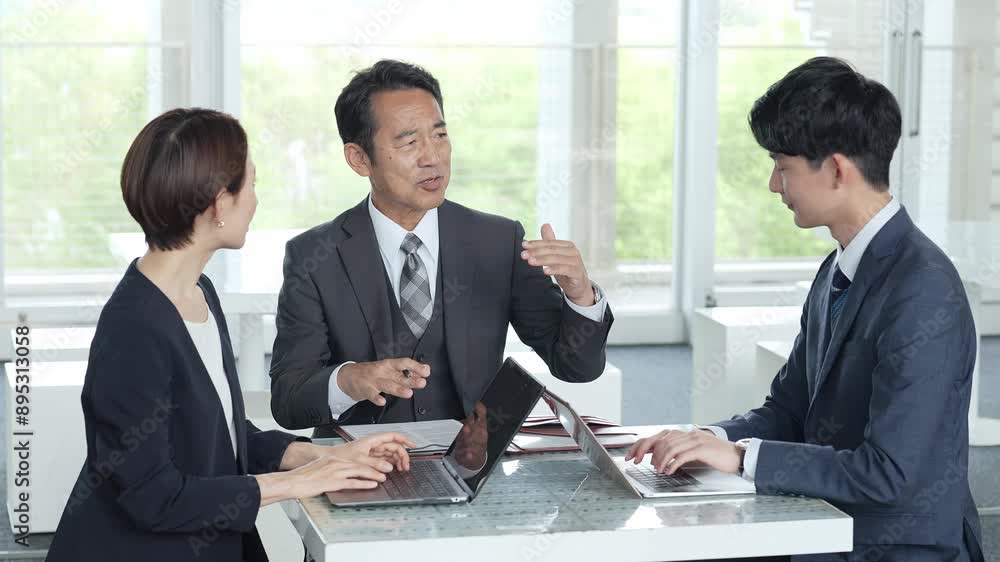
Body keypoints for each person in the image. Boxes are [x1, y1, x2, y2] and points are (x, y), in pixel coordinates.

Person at [627, 57, 985, 561]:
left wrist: (739, 457)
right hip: (829, 525)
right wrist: (706, 438)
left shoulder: (922, 288)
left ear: (837, 169)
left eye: (782, 166)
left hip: (897, 547)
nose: (774, 185)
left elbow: (889, 475)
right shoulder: (837, 268)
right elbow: (789, 412)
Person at [46, 108, 414, 562]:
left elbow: (219, 435)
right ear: (220, 204)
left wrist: (325, 455)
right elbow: (152, 496)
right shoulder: (133, 328)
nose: (255, 200)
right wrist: (297, 484)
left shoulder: (198, 292)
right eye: (251, 184)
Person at [269, 59, 614, 437]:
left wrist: (580, 294)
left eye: (439, 135)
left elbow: (577, 368)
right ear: (359, 158)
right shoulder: (314, 256)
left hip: (472, 462)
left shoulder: (498, 241)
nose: (432, 157)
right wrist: (348, 379)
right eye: (409, 142)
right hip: (359, 463)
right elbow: (288, 400)